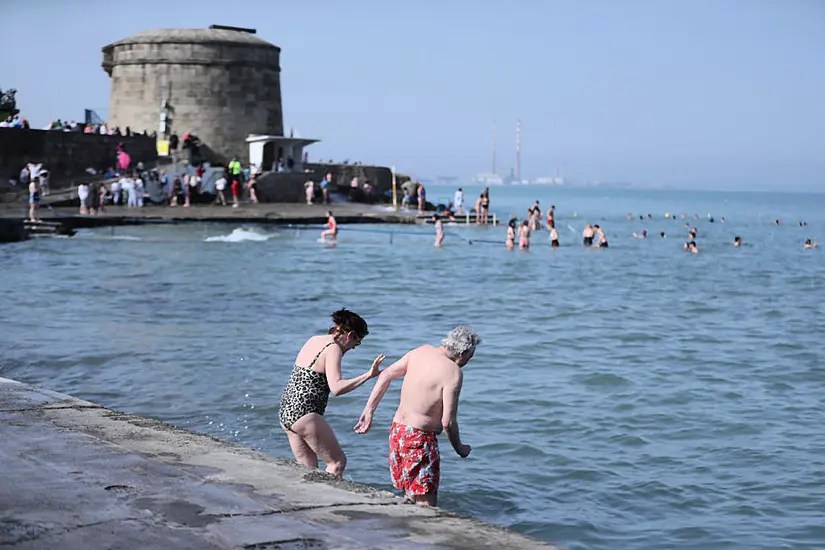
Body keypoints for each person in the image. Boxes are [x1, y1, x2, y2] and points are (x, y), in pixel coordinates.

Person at [354, 326, 481, 506]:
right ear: (463, 353)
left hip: (398, 433)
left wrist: (369, 411)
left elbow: (386, 375)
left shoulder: (420, 352)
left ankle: (404, 532)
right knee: (426, 503)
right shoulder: (453, 372)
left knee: (410, 495)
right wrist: (460, 448)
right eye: (470, 355)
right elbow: (448, 422)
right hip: (419, 440)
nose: (470, 359)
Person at [279, 309, 384, 477]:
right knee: (336, 463)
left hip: (287, 411)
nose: (354, 347)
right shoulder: (333, 348)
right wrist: (368, 375)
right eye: (357, 342)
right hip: (305, 414)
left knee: (308, 470)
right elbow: (336, 388)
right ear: (349, 335)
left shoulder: (314, 339)